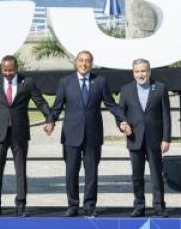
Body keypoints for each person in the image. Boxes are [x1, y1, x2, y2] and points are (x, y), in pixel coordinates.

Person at [44, 50, 125, 217]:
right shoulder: (65, 82)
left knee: (91, 173)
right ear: (76, 63)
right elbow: (57, 106)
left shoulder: (100, 81)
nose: (84, 64)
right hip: (71, 135)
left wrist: (122, 119)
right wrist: (51, 121)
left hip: (93, 135)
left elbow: (111, 104)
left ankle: (89, 206)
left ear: (91, 64)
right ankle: (72, 206)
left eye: (87, 61)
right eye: (81, 60)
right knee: (71, 173)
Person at [0, 54, 52, 217]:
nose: (8, 73)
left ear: (16, 68)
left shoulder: (27, 82)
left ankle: (20, 205)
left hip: (19, 133)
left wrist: (49, 118)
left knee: (20, 169)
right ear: (1, 69)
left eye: (11, 70)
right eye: (5, 70)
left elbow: (40, 102)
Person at [115, 58, 172, 217]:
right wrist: (121, 125)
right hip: (135, 139)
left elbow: (166, 115)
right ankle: (139, 206)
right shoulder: (126, 90)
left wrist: (166, 139)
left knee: (156, 175)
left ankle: (159, 206)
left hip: (155, 140)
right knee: (137, 176)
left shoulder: (160, 88)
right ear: (133, 73)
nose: (140, 74)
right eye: (137, 71)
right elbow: (120, 114)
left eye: (143, 71)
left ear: (149, 71)